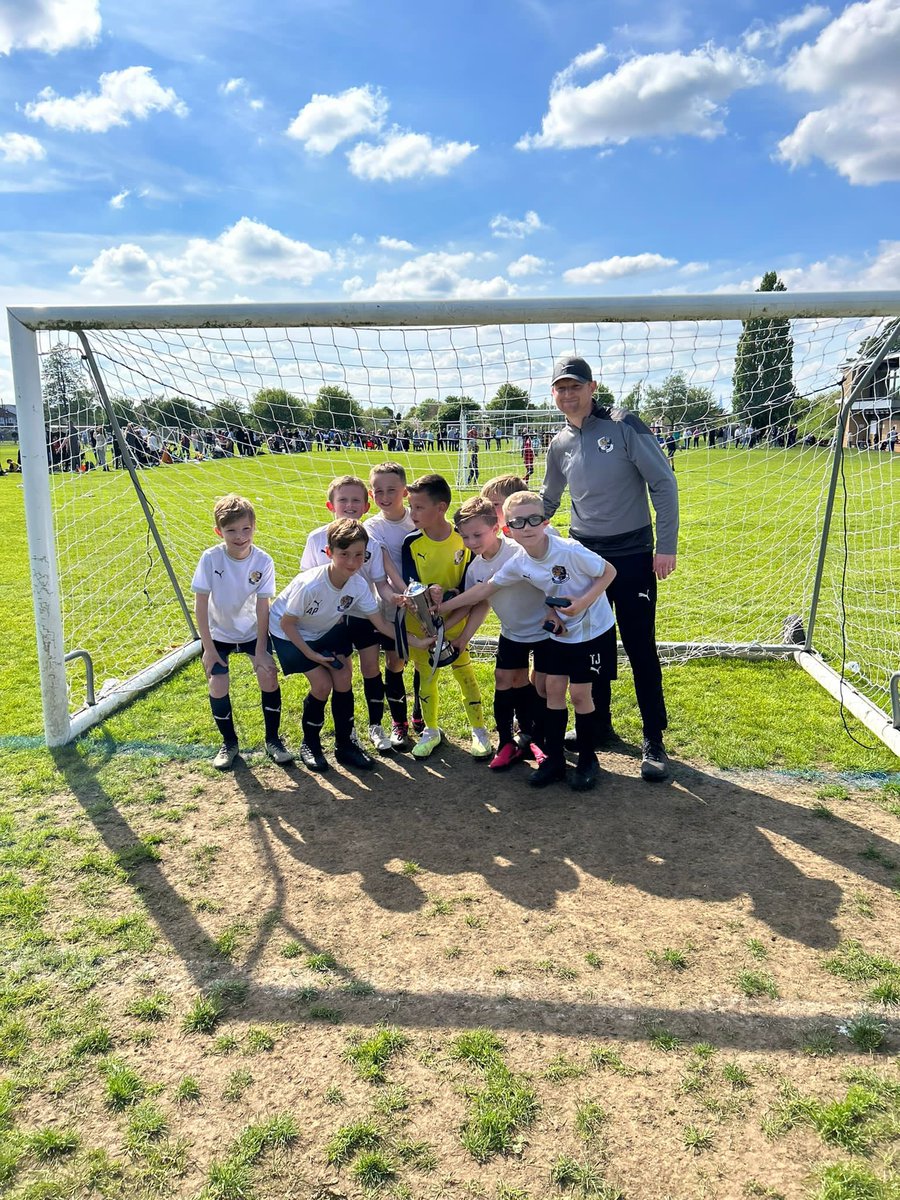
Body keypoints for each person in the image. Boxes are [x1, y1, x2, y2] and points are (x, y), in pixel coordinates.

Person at [540, 354, 679, 782]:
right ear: (554, 394)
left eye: (575, 386)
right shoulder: (558, 443)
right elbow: (548, 499)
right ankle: (597, 726)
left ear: (592, 387)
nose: (569, 394)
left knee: (639, 645)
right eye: (561, 388)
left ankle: (653, 739)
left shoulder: (624, 425)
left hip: (634, 553)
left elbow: (663, 483)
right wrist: (510, 531)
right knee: (588, 642)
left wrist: (666, 547)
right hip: (585, 557)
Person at [442, 491, 616, 791]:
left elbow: (609, 572)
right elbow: (486, 589)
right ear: (507, 526)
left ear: (545, 521)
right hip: (561, 634)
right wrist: (441, 609)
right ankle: (554, 760)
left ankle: (588, 760)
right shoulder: (519, 562)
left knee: (579, 695)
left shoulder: (569, 550)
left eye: (534, 519)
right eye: (519, 522)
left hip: (593, 630)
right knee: (552, 690)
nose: (527, 527)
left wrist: (582, 603)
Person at [271, 519, 428, 773]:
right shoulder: (310, 584)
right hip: (288, 634)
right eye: (345, 554)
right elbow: (287, 623)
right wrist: (311, 654)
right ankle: (310, 744)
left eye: (359, 555)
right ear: (329, 552)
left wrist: (416, 641)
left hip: (322, 630)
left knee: (343, 675)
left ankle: (345, 745)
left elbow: (383, 625)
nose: (353, 562)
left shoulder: (357, 585)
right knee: (322, 685)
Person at [300, 475, 405, 754]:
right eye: (343, 500)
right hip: (329, 621)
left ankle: (375, 726)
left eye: (356, 499)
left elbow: (380, 583)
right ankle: (343, 735)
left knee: (371, 668)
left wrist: (392, 596)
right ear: (330, 505)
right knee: (340, 675)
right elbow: (305, 581)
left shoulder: (372, 542)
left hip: (363, 614)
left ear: (366, 505)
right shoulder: (315, 539)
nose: (349, 505)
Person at [442, 496, 548, 771]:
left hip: (545, 631)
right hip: (512, 632)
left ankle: (537, 738)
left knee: (543, 686)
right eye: (465, 537)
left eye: (477, 534)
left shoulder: (518, 552)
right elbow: (476, 604)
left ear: (496, 527)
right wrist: (461, 636)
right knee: (504, 679)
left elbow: (485, 591)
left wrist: (442, 607)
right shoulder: (475, 567)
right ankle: (505, 743)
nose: (472, 542)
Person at [191, 493, 293, 770]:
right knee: (218, 684)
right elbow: (200, 604)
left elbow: (263, 607)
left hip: (252, 633)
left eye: (246, 529)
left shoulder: (263, 561)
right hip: (218, 636)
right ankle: (229, 743)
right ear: (219, 531)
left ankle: (273, 740)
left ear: (254, 527)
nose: (240, 536)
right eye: (231, 530)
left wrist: (261, 650)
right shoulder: (210, 559)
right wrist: (208, 648)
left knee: (269, 678)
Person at [400, 473, 492, 760]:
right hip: (421, 624)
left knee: (464, 673)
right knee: (426, 677)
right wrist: (426, 593)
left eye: (418, 507)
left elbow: (471, 588)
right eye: (411, 507)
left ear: (440, 508)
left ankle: (478, 730)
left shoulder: (463, 539)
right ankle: (430, 730)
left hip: (455, 622)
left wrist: (448, 596)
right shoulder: (411, 543)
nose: (412, 514)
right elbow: (410, 584)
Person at [364, 462, 418, 748]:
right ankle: (399, 723)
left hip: (420, 601)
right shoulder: (371, 527)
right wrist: (406, 594)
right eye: (378, 491)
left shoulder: (417, 518)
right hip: (390, 602)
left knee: (422, 662)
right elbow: (383, 569)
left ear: (405, 491)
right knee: (395, 662)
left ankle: (421, 716)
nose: (385, 496)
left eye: (392, 490)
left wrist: (420, 597)